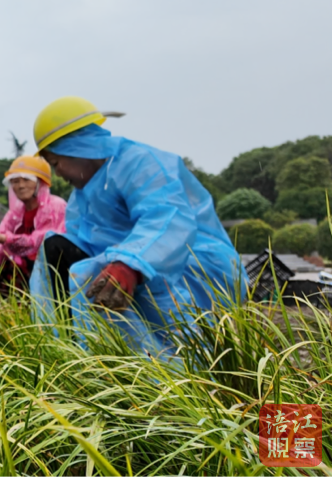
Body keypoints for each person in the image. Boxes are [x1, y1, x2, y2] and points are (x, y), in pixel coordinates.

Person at [28, 96, 245, 359]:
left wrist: (130, 263)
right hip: (133, 264)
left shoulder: (139, 164)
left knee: (92, 272)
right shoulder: (83, 196)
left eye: (55, 163)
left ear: (79, 148)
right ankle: (74, 352)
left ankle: (165, 362)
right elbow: (80, 240)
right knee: (57, 248)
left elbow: (167, 219)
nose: (58, 174)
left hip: (187, 264)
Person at [0, 156, 68, 295]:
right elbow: (0, 234)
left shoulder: (56, 206)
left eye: (26, 180)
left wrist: (5, 239)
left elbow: (40, 241)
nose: (20, 186)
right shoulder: (16, 212)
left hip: (51, 271)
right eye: (15, 181)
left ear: (40, 182)